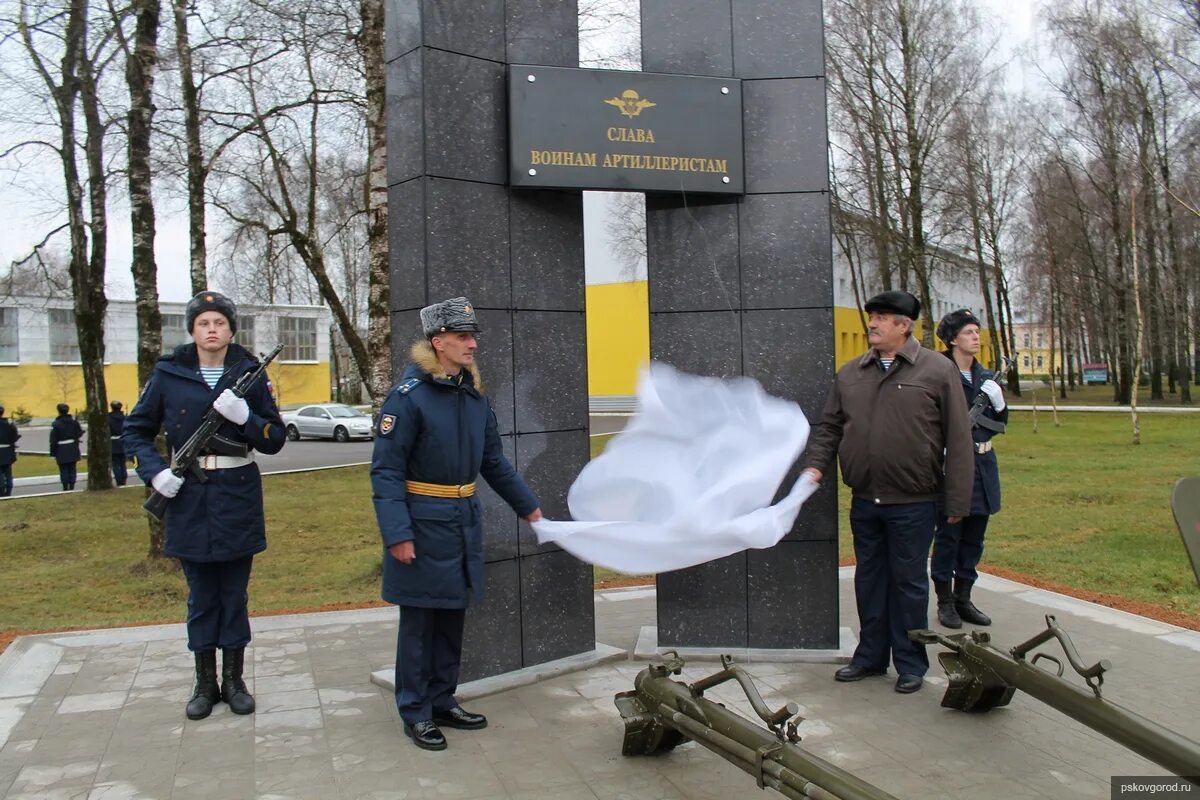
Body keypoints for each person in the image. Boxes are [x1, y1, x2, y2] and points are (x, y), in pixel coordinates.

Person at [371, 296, 542, 751]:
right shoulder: (408, 399)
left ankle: (442, 698)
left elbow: (493, 461)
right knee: (419, 623)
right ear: (437, 341)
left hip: (463, 520)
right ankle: (414, 710)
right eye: (463, 337)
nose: (472, 344)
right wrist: (398, 533)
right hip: (422, 523)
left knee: (451, 616)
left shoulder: (472, 396)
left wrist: (528, 506)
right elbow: (386, 471)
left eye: (473, 336)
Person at [123, 290, 286, 721]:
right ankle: (204, 683)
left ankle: (234, 681)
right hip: (189, 497)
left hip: (236, 494)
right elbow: (135, 431)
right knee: (200, 597)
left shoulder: (249, 373)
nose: (212, 330)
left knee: (233, 594)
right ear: (192, 330)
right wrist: (155, 473)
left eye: (219, 322)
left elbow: (274, 439)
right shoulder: (169, 375)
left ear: (231, 329)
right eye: (203, 323)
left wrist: (243, 417)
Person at [801, 290, 973, 694]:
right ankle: (870, 657)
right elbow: (829, 427)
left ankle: (911, 662)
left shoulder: (936, 370)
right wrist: (816, 465)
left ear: (904, 325)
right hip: (866, 500)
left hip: (914, 502)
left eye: (882, 318)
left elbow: (959, 438)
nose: (872, 324)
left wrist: (958, 500)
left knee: (909, 583)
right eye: (871, 317)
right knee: (870, 579)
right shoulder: (850, 373)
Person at [930, 309, 1008, 629]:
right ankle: (945, 601)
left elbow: (999, 425)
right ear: (952, 340)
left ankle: (964, 598)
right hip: (952, 468)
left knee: (974, 539)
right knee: (949, 537)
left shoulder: (987, 378)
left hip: (984, 466)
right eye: (969, 332)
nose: (976, 337)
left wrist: (1000, 404)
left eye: (977, 331)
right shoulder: (938, 376)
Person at [49, 403, 84, 491]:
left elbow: (53, 440)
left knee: (63, 469)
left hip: (61, 449)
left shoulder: (56, 424)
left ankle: (65, 487)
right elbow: (79, 433)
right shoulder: (74, 422)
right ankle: (72, 486)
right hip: (73, 447)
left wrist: (52, 453)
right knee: (72, 468)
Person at [109, 401, 128, 487]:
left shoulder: (108, 418)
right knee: (122, 463)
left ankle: (118, 480)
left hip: (113, 443)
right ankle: (123, 479)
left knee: (115, 463)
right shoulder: (125, 418)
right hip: (123, 442)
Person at [0, 405, 18, 497]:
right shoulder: (9, 424)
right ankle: (9, 491)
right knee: (8, 473)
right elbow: (14, 437)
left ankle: (1, 491)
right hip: (8, 451)